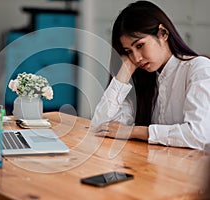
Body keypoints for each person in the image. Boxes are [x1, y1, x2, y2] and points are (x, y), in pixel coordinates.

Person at [90, 0, 210, 150]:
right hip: (153, 167)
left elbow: (198, 135)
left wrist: (134, 131)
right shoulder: (144, 78)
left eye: (140, 45)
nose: (136, 58)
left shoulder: (199, 68)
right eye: (129, 51)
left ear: (163, 33)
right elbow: (100, 126)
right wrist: (125, 70)